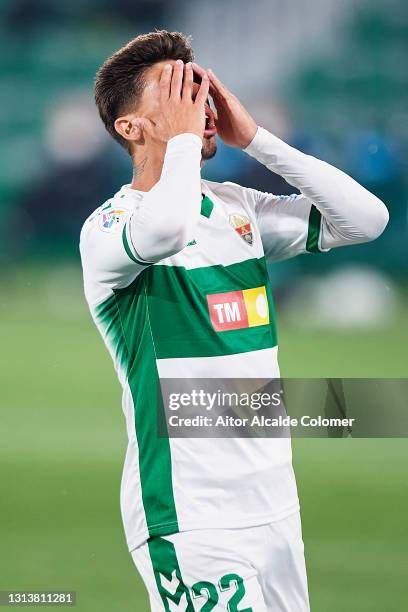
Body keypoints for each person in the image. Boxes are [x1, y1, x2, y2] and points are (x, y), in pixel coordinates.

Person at [80, 30, 388, 611]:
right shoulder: (108, 228)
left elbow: (367, 221)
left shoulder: (238, 209)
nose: (199, 107)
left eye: (199, 91)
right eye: (176, 95)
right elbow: (165, 230)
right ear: (131, 128)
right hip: (191, 518)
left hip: (274, 508)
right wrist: (180, 144)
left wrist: (259, 139)